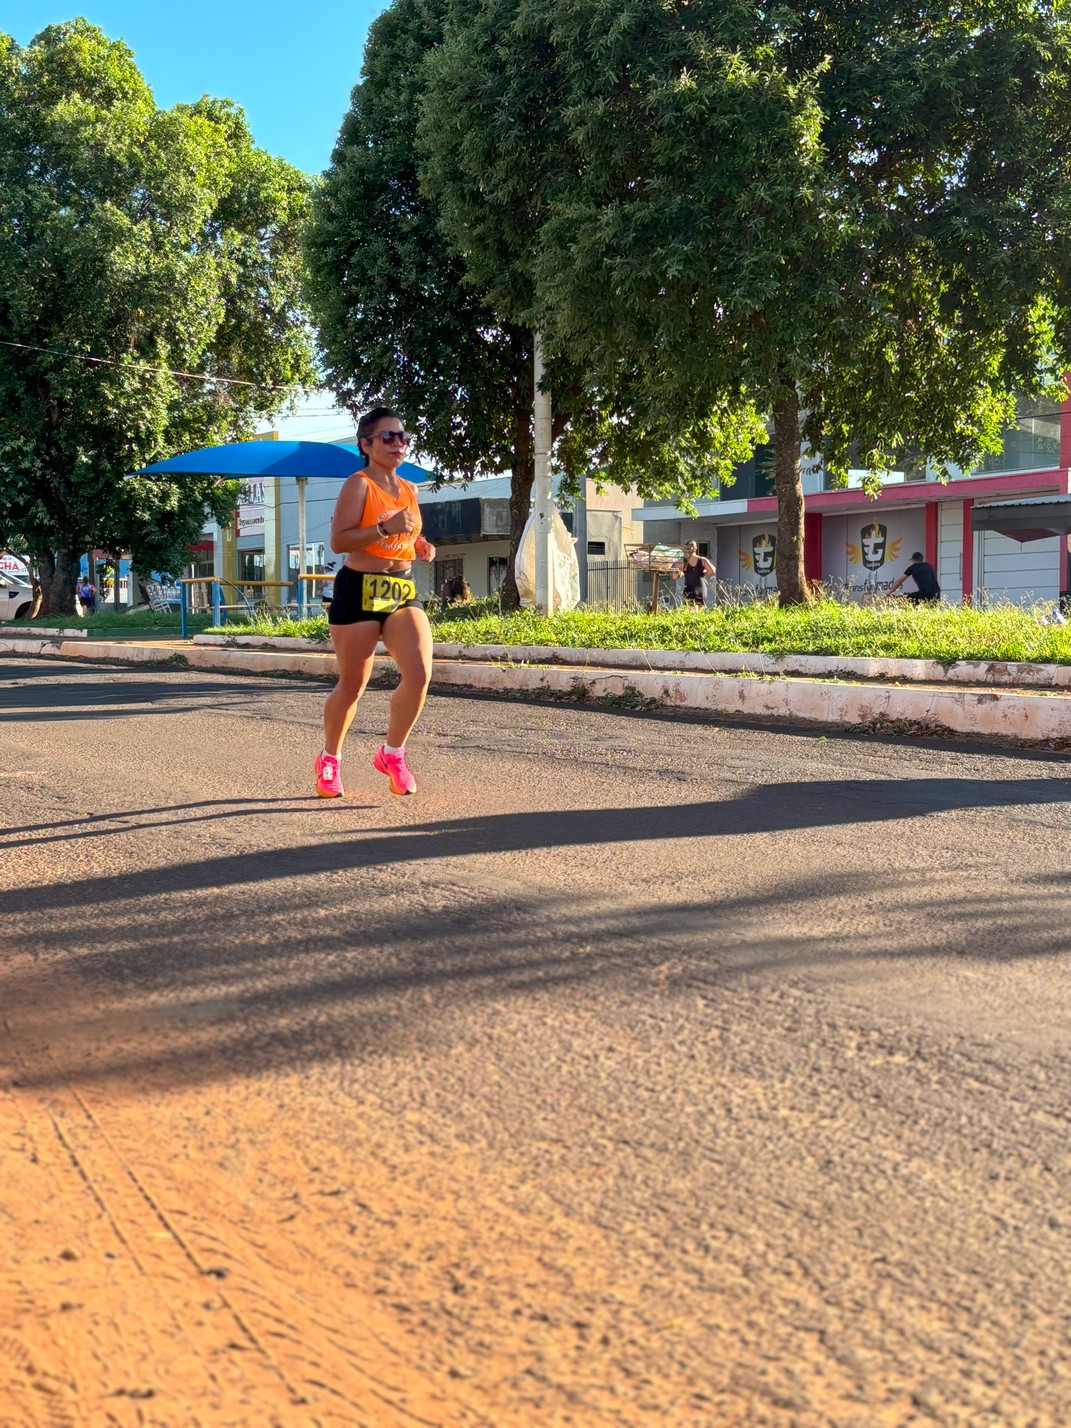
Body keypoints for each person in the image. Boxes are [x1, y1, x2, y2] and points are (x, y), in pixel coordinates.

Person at [315, 407, 437, 798]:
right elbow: (340, 541)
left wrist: (418, 545)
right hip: (358, 588)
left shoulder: (409, 489)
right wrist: (384, 527)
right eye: (388, 437)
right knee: (353, 684)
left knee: (418, 674)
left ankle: (392, 754)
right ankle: (330, 759)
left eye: (402, 436)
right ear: (366, 444)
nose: (398, 443)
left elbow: (406, 534)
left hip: (400, 588)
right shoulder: (359, 484)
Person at [673, 541, 715, 607]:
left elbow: (674, 577)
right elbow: (712, 570)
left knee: (690, 614)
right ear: (696, 548)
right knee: (698, 614)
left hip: (689, 589)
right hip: (700, 589)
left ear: (686, 549)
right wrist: (702, 573)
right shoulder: (702, 560)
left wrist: (680, 572)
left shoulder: (682, 562)